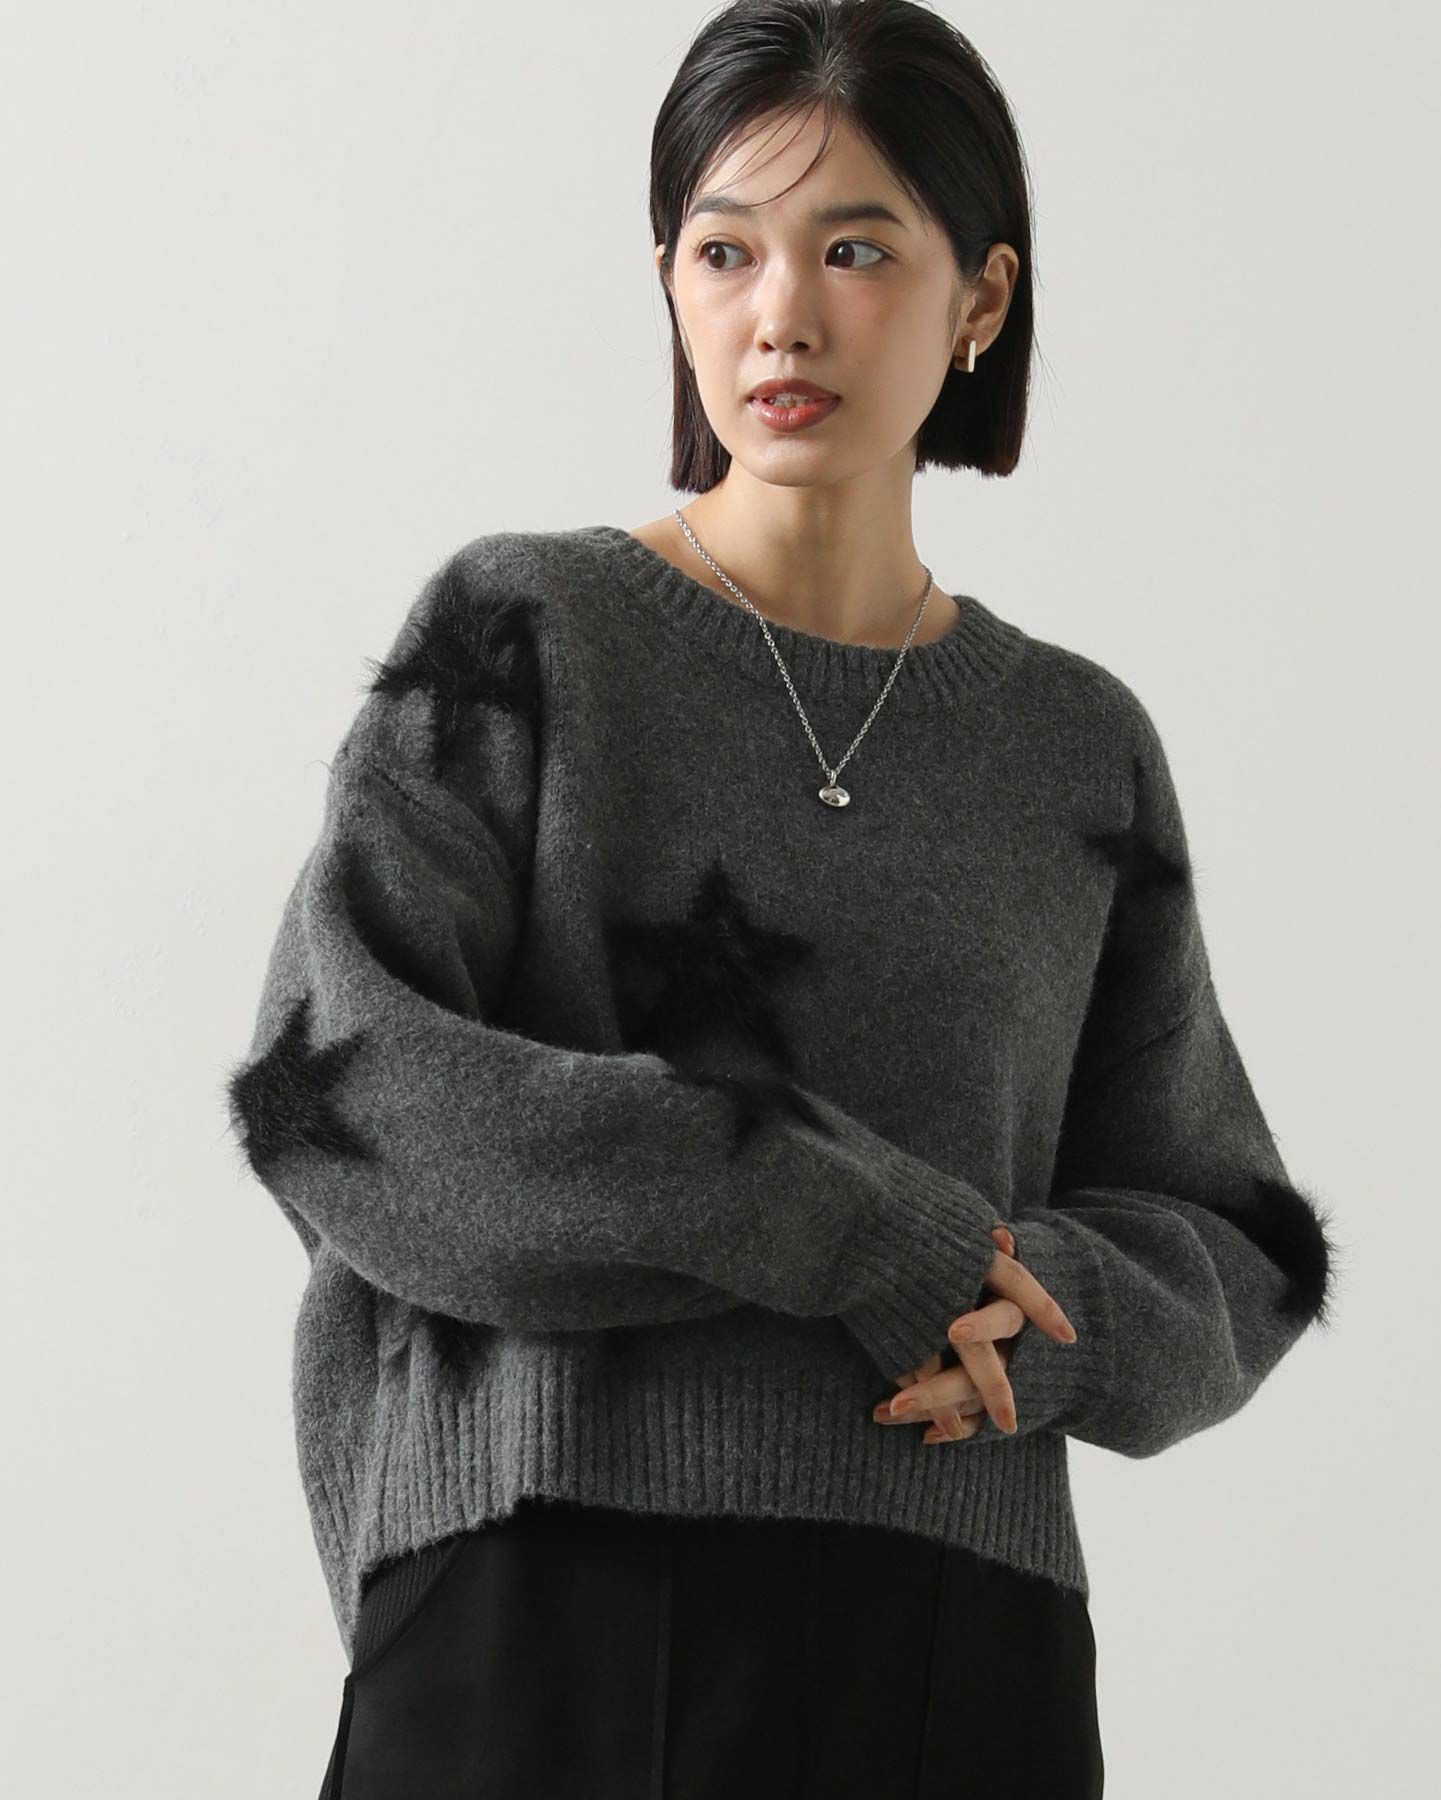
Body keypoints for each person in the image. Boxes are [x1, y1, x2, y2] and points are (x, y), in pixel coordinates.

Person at [224, 4, 1339, 1795]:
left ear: (981, 299)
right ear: (668, 283)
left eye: (858, 250)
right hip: (541, 1601)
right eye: (725, 250)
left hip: (952, 1638)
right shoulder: (528, 636)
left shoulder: (1074, 747)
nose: (782, 316)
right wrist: (828, 1216)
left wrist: (1051, 1315)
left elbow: (1240, 1240)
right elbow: (342, 1097)